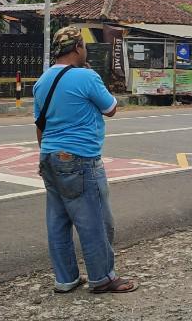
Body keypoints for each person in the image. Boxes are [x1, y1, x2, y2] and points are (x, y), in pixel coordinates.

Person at [34, 26, 138, 294]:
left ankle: (65, 279)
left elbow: (40, 125)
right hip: (79, 158)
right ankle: (102, 277)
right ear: (77, 48)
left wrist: (44, 156)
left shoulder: (42, 81)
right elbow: (111, 108)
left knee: (58, 221)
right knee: (95, 219)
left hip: (49, 156)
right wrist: (93, 76)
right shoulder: (87, 77)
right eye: (84, 46)